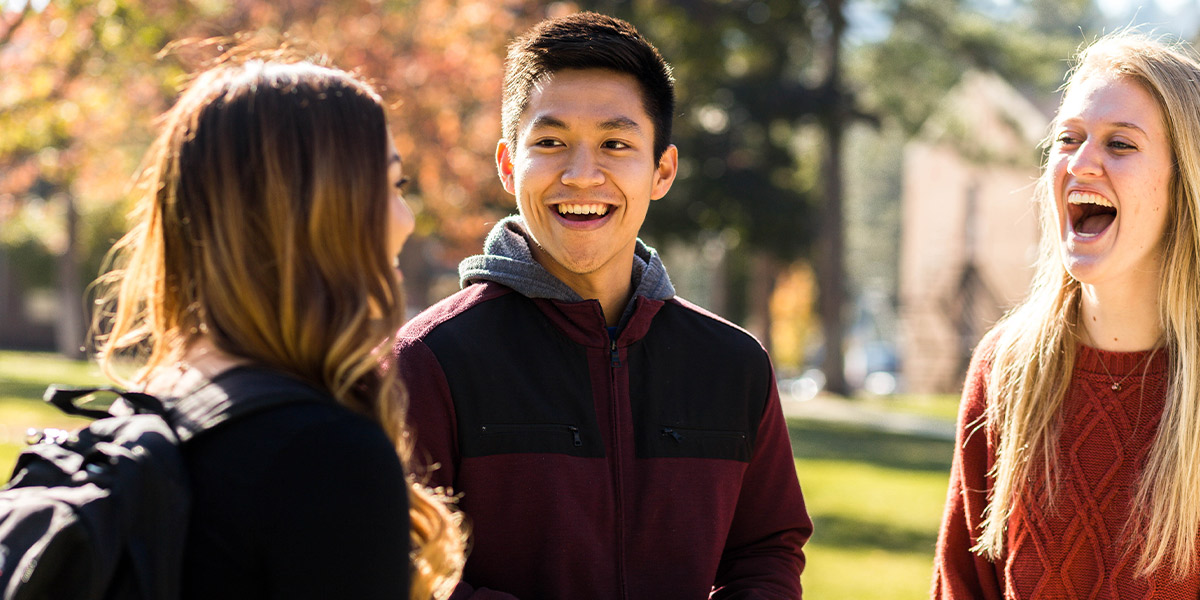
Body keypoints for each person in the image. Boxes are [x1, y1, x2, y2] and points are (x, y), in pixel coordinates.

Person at [396, 12, 811, 599]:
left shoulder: (733, 364)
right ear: (509, 164)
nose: (582, 175)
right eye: (551, 142)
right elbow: (401, 567)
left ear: (662, 169)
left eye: (615, 144)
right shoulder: (428, 361)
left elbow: (766, 548)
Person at [93, 44, 465, 599]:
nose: (405, 220)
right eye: (388, 187)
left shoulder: (150, 412)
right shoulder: (327, 460)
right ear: (316, 215)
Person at [933, 32, 1200, 598]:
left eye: (1121, 145)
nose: (1081, 163)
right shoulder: (1005, 368)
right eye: (1067, 138)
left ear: (1184, 185)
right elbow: (961, 586)